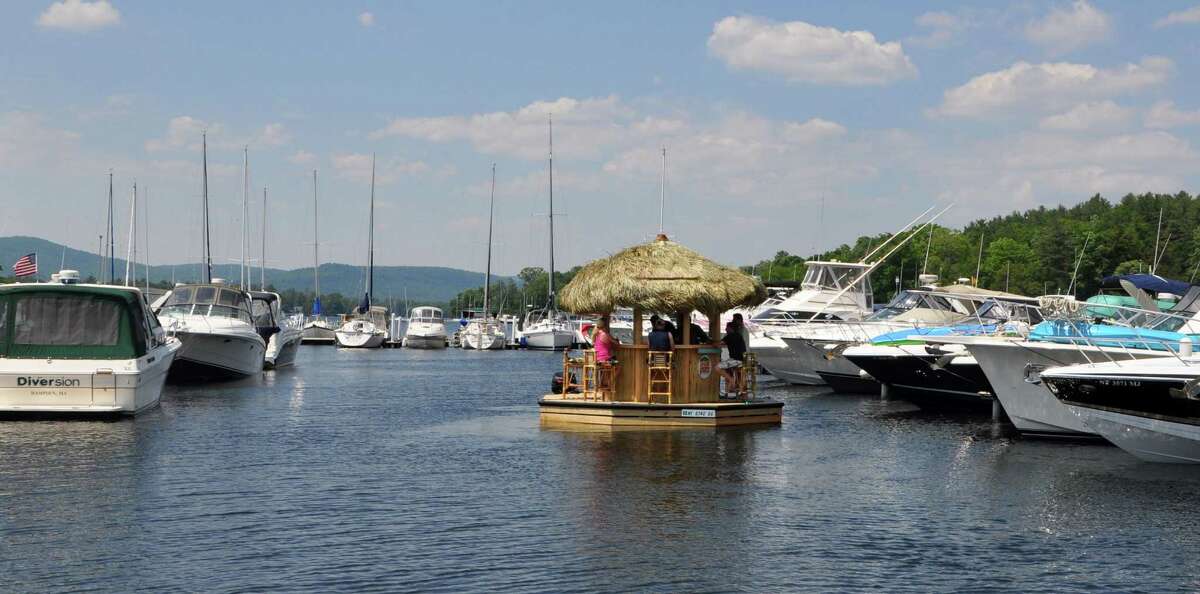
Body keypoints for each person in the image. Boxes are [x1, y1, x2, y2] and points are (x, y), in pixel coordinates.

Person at [719, 320, 748, 397]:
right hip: (742, 360)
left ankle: (732, 381)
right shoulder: (739, 335)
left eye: (726, 328)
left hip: (736, 360)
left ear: (730, 328)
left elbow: (719, 344)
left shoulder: (730, 336)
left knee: (717, 368)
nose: (725, 329)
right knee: (727, 369)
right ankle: (731, 390)